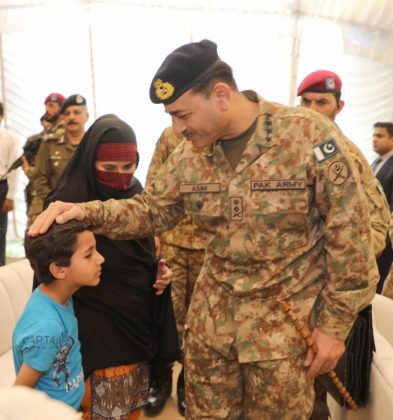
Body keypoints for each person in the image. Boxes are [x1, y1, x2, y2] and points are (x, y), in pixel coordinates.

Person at [29, 39, 378, 419]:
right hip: (212, 333)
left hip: (284, 335)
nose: (177, 129)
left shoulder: (308, 136)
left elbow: (351, 237)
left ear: (221, 95)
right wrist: (82, 210)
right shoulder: (190, 155)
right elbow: (151, 211)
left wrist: (334, 327)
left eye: (182, 114)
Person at [44, 114, 179, 420]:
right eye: (109, 169)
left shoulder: (135, 195)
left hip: (136, 328)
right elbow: (51, 273)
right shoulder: (65, 204)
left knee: (132, 408)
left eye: (128, 167)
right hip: (92, 333)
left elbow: (145, 253)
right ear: (90, 160)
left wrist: (158, 271)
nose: (120, 177)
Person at [297, 70, 390, 419]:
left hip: (326, 286)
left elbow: (376, 221)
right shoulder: (295, 142)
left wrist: (348, 258)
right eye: (306, 102)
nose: (312, 109)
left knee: (312, 381)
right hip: (299, 282)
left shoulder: (334, 150)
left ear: (339, 107)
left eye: (322, 102)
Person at [144, 126, 205, 417]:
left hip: (210, 247)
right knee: (170, 316)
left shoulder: (223, 135)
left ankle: (186, 383)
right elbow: (154, 187)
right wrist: (153, 234)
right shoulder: (170, 136)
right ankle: (162, 378)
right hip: (174, 243)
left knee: (201, 322)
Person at [13, 220, 105, 410]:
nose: (101, 258)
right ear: (59, 269)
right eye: (89, 255)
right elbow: (19, 392)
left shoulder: (58, 296)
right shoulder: (47, 327)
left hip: (72, 403)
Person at [29, 94, 89, 224]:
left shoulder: (93, 144)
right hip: (53, 210)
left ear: (86, 116)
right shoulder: (49, 144)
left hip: (86, 211)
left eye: (77, 112)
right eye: (67, 114)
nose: (71, 117)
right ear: (62, 118)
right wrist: (57, 205)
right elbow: (39, 179)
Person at [371, 122, 393, 293]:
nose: (374, 139)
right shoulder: (375, 162)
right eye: (374, 135)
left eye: (380, 136)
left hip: (386, 234)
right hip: (371, 230)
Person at [0, 102, 19, 266]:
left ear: (1, 117)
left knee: (0, 231)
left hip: (1, 187)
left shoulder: (9, 138)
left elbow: (14, 169)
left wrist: (10, 196)